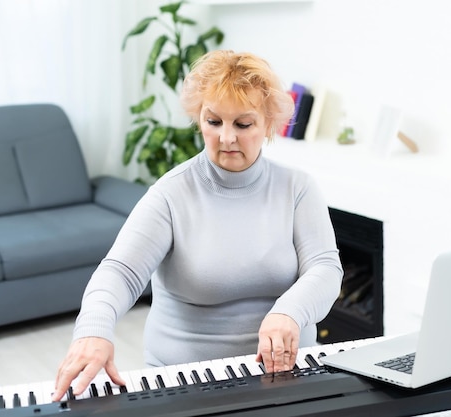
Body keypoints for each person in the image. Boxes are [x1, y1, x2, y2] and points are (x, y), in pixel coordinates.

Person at [52, 50, 343, 401]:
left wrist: (289, 312)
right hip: (189, 383)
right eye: (213, 121)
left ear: (268, 124)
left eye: (243, 124)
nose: (226, 138)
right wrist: (93, 331)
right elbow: (120, 272)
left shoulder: (297, 188)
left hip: (287, 374)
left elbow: (325, 268)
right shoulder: (172, 193)